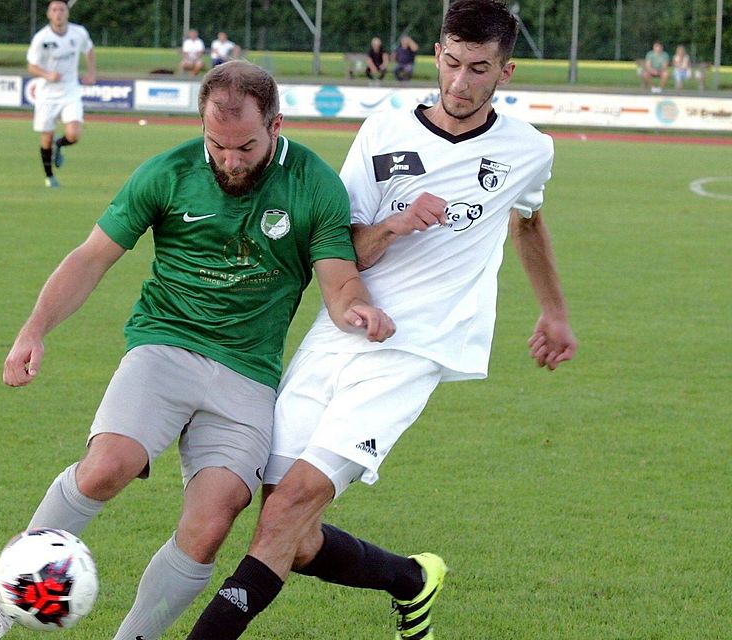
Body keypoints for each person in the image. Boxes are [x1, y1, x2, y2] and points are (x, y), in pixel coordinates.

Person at [0, 59, 395, 640]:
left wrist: (355, 308)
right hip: (165, 346)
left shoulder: (314, 182)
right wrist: (34, 329)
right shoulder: (169, 171)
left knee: (211, 524)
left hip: (249, 375)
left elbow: (338, 279)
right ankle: (2, 604)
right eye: (218, 145)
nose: (230, 161)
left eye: (245, 147)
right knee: (109, 466)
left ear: (276, 126)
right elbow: (91, 256)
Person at [185, 1, 577, 638]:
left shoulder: (529, 150)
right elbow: (339, 247)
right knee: (288, 526)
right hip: (341, 329)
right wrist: (394, 226)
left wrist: (554, 312)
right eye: (451, 63)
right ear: (437, 55)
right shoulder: (385, 129)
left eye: (478, 68)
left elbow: (528, 221)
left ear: (505, 71)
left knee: (288, 511)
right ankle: (412, 580)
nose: (459, 82)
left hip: (416, 347)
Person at [25, 0, 95, 189]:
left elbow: (89, 49)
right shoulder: (41, 38)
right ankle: (49, 176)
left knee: (74, 134)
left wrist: (91, 73)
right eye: (54, 10)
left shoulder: (78, 33)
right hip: (47, 94)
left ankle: (60, 144)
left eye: (62, 9)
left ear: (67, 13)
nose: (58, 13)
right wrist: (48, 75)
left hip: (70, 91)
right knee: (45, 138)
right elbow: (31, 66)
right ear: (49, 14)